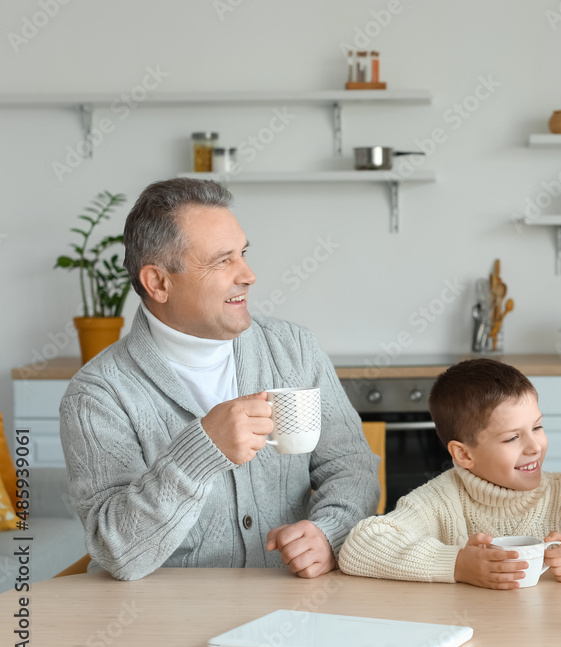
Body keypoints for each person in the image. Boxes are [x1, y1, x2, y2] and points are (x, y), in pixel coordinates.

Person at [59, 178, 380, 581]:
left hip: (291, 608)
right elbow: (118, 552)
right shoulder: (98, 395)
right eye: (222, 261)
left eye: (242, 254)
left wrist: (328, 533)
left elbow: (352, 467)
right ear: (158, 282)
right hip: (160, 625)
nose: (248, 274)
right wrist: (200, 452)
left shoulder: (294, 349)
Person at [338, 358, 561, 588]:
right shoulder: (441, 499)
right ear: (463, 455)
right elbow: (359, 546)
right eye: (513, 437)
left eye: (538, 427)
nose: (534, 447)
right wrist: (457, 564)